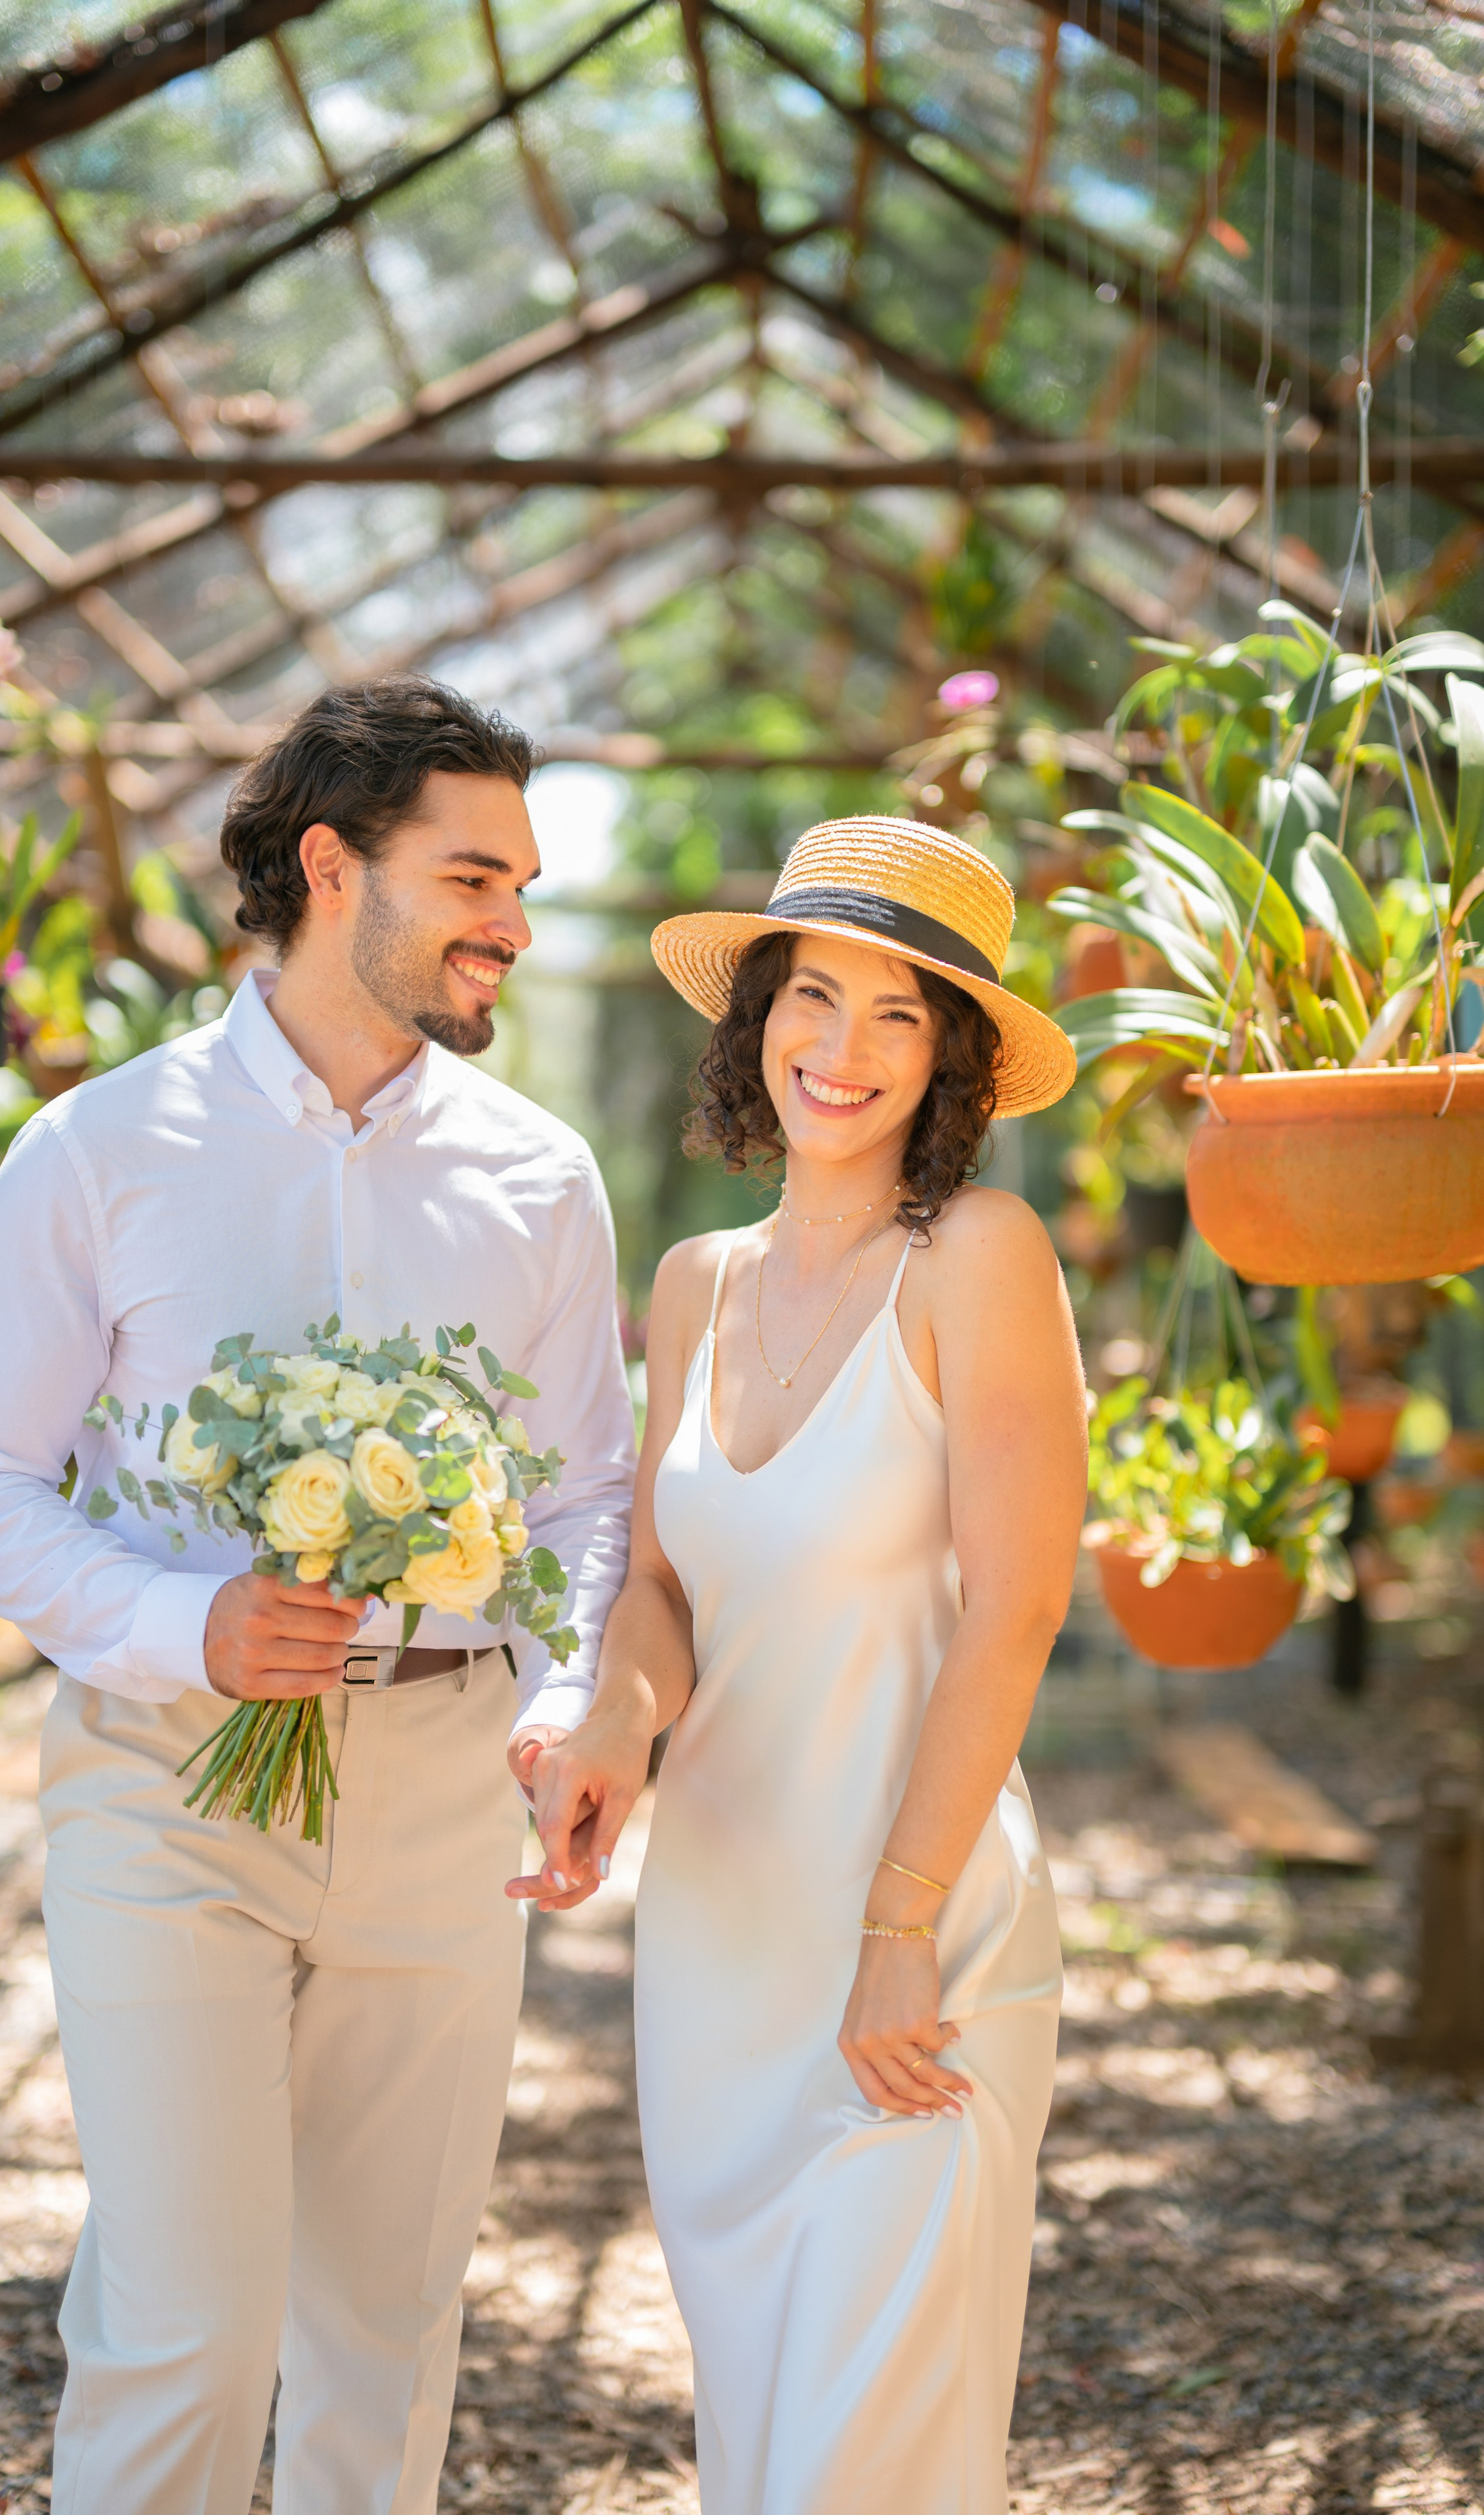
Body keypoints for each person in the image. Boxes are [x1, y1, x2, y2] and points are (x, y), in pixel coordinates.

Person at [0, 677, 635, 2515]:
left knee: (384, 2340)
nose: (515, 924)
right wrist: (188, 1630)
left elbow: (587, 1497)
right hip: (166, 1789)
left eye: (526, 881)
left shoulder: (541, 1180)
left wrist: (564, 1698)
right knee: (186, 2324)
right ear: (332, 867)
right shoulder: (94, 1151)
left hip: (445, 1804)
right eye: (475, 875)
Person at [515, 816, 1087, 2513]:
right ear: (755, 1017)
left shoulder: (979, 1258)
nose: (843, 1051)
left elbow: (1018, 1608)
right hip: (719, 1946)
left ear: (957, 1058)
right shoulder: (693, 1286)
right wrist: (602, 1736)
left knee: (872, 2459)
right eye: (813, 996)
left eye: (900, 1016)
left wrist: (900, 1931)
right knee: (764, 2443)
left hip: (915, 1937)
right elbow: (663, 1602)